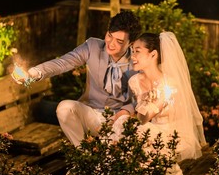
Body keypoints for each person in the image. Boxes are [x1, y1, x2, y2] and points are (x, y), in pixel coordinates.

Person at [12, 10, 142, 147]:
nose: (111, 43)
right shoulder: (93, 46)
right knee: (64, 108)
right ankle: (83, 157)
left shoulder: (138, 61)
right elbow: (63, 62)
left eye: (119, 41)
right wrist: (34, 73)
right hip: (92, 114)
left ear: (131, 43)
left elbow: (139, 97)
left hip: (120, 119)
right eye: (109, 35)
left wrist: (124, 113)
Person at [112, 31, 207, 175]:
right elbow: (143, 119)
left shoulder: (170, 83)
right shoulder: (135, 81)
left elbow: (146, 117)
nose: (132, 56)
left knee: (138, 136)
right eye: (131, 51)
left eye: (137, 51)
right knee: (123, 123)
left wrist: (153, 101)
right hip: (150, 129)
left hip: (173, 135)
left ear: (153, 54)